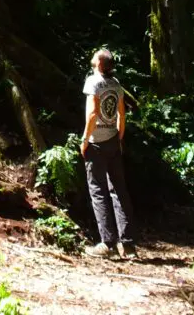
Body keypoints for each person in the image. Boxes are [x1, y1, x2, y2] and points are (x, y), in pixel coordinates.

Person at [80, 48, 137, 259]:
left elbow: (93, 113)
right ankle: (129, 246)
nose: (92, 56)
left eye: (95, 55)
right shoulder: (116, 85)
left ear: (99, 63)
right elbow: (122, 115)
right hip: (113, 141)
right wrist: (119, 139)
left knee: (98, 191)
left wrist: (85, 140)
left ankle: (107, 244)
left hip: (96, 143)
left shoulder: (92, 82)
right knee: (119, 191)